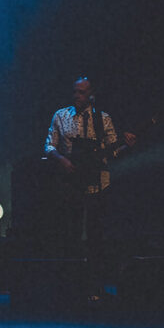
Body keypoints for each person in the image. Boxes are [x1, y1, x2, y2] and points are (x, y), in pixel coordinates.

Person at [44, 76, 136, 301]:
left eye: (82, 92)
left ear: (91, 94)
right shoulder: (61, 116)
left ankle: (96, 286)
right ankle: (72, 285)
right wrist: (61, 160)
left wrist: (126, 145)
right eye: (75, 91)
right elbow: (49, 145)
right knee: (71, 233)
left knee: (97, 237)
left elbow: (113, 151)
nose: (77, 96)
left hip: (98, 183)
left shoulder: (102, 120)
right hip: (71, 183)